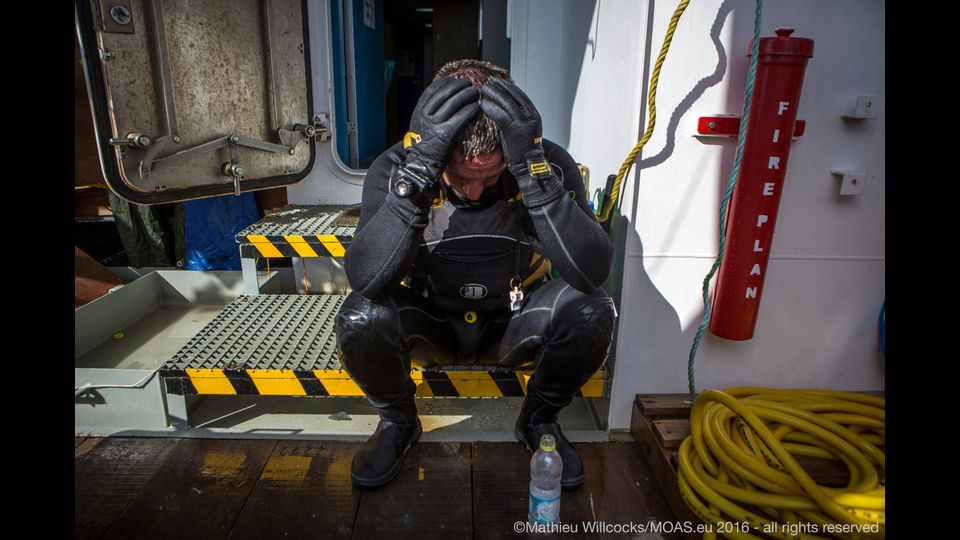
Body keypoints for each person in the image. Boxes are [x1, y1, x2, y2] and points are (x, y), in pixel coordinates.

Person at [335, 59, 617, 490]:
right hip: (433, 320)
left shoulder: (543, 163)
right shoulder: (397, 167)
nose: (474, 191)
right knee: (359, 316)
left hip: (513, 321)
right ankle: (399, 423)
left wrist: (533, 178)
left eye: (490, 176)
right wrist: (419, 175)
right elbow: (367, 281)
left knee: (594, 310)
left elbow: (592, 271)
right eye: (462, 177)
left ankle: (538, 421)